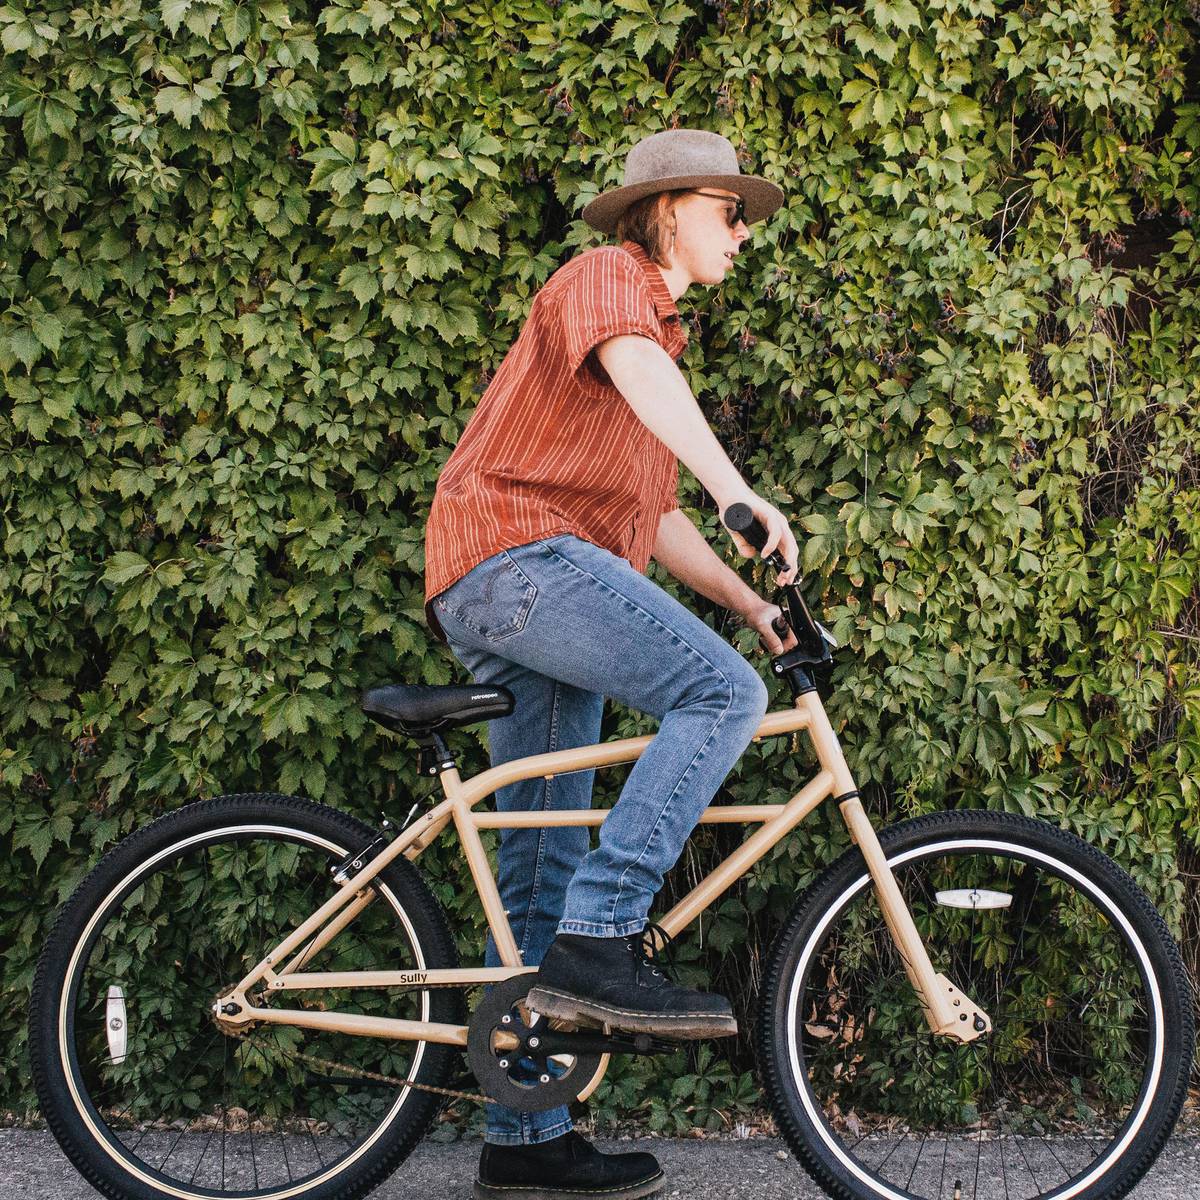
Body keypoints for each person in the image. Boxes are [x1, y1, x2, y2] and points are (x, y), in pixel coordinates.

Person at [422, 128, 799, 1200]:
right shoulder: (607, 282)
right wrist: (740, 491)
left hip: (529, 583)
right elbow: (644, 380)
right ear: (667, 208)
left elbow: (653, 518)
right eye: (730, 212)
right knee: (721, 694)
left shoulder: (650, 356)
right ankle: (603, 935)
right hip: (516, 559)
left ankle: (525, 1141)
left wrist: (746, 601)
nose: (743, 234)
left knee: (541, 859)